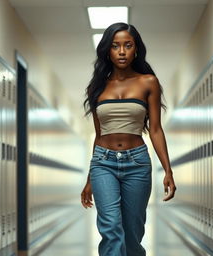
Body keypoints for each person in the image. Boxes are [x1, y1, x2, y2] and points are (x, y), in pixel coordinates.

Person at [81, 22, 177, 256]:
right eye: (115, 46)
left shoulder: (148, 82)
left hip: (137, 162)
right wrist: (90, 178)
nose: (122, 51)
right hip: (103, 163)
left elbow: (155, 129)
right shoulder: (97, 87)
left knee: (133, 233)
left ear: (136, 50)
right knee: (111, 228)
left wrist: (168, 170)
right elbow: (99, 134)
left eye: (128, 45)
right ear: (107, 50)